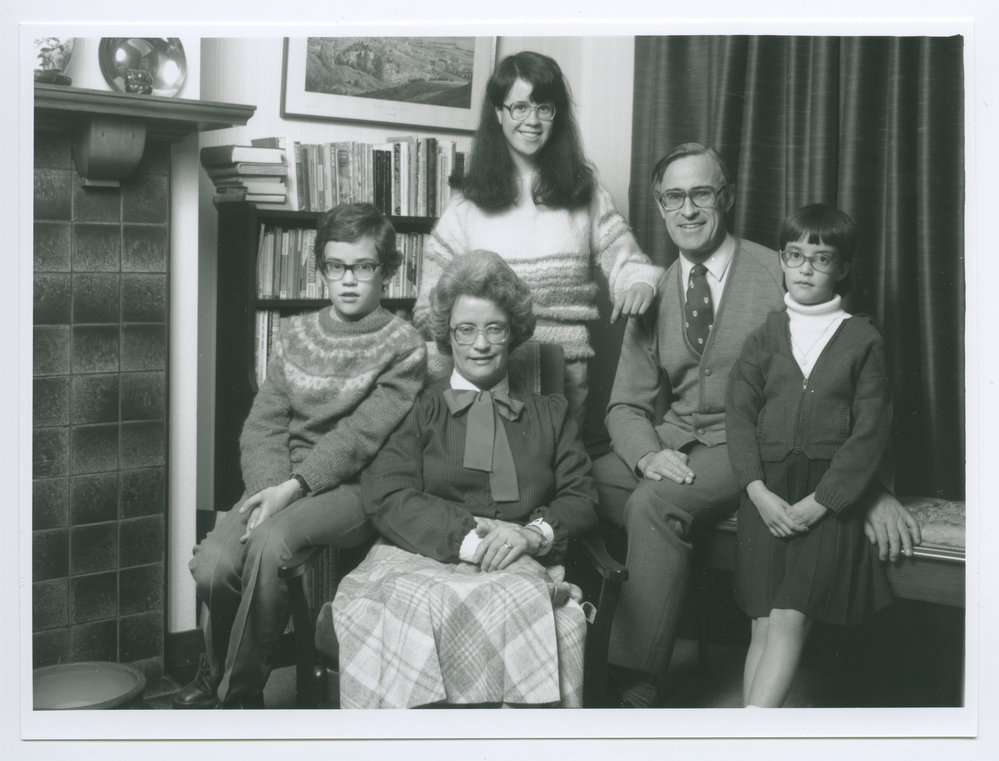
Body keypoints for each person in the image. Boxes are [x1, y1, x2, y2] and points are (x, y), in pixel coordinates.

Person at [591, 143, 922, 708]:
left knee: (654, 503)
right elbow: (624, 405)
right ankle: (576, 652)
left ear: (727, 198)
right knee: (575, 476)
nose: (688, 209)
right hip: (676, 441)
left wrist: (870, 489)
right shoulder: (658, 288)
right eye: (674, 197)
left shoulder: (783, 270)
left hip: (751, 444)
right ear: (660, 205)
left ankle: (636, 681)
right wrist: (646, 453)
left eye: (702, 194)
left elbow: (849, 379)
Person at [174, 203, 427, 709]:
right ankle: (217, 668)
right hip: (281, 482)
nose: (349, 280)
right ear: (322, 271)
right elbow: (263, 423)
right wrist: (272, 486)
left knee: (271, 544)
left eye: (364, 266)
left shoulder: (405, 346)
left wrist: (293, 490)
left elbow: (359, 436)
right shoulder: (294, 336)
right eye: (336, 267)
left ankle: (237, 697)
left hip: (354, 487)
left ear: (388, 270)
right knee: (214, 565)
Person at [333, 250, 598, 708]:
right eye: (466, 330)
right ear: (447, 335)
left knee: (523, 601)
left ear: (513, 333)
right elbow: (387, 494)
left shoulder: (549, 414)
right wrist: (472, 542)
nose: (480, 344)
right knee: (411, 606)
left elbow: (582, 496)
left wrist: (531, 536)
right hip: (419, 552)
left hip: (519, 559)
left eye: (494, 328)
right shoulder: (419, 406)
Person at [413, 50, 663, 428]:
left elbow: (627, 264)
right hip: (485, 369)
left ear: (556, 114)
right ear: (498, 113)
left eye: (544, 108)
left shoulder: (585, 192)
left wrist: (640, 284)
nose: (532, 120)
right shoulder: (467, 203)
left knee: (555, 478)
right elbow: (429, 306)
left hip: (564, 368)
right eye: (519, 107)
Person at [727, 203, 894, 707]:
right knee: (761, 623)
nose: (804, 268)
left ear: (842, 267)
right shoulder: (763, 338)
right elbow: (738, 418)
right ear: (781, 259)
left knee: (789, 618)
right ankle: (746, 735)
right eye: (795, 255)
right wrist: (757, 492)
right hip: (766, 498)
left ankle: (751, 737)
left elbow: (870, 432)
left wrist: (823, 501)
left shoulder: (862, 339)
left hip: (824, 503)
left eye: (820, 259)